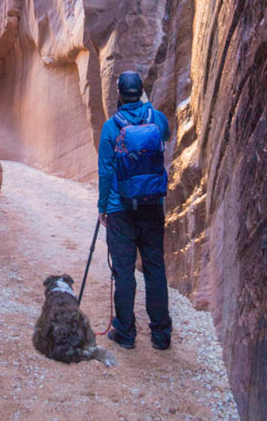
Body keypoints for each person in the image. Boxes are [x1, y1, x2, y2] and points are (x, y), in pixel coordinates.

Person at [98, 70, 172, 350]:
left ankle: (126, 333)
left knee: (124, 271)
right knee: (155, 268)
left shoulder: (110, 127)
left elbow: (106, 172)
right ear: (141, 91)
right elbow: (163, 137)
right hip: (152, 206)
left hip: (120, 209)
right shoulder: (157, 119)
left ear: (119, 93)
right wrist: (148, 106)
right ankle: (161, 335)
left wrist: (103, 206)